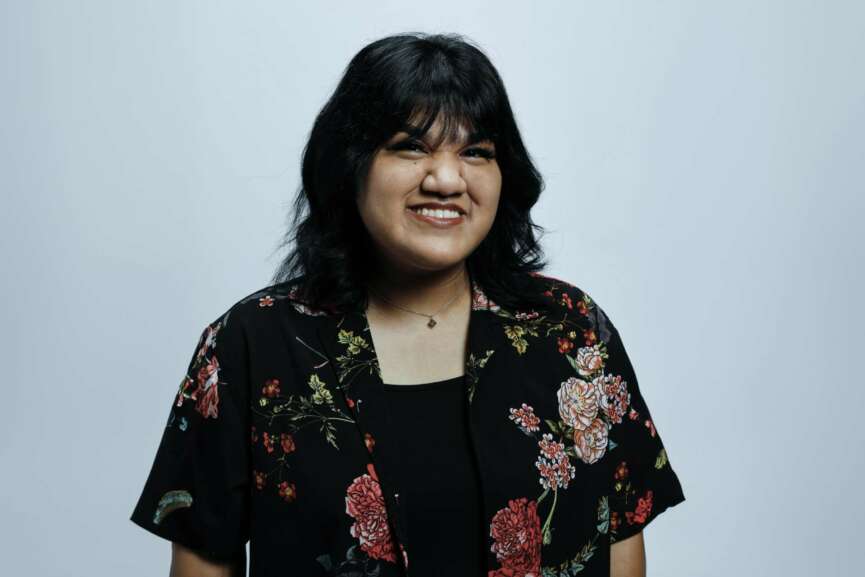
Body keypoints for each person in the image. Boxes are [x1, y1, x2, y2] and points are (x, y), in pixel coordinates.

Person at [130, 32, 685, 577]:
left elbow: (621, 541)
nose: (446, 180)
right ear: (350, 164)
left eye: (476, 152)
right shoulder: (251, 344)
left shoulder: (571, 330)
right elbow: (204, 559)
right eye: (411, 146)